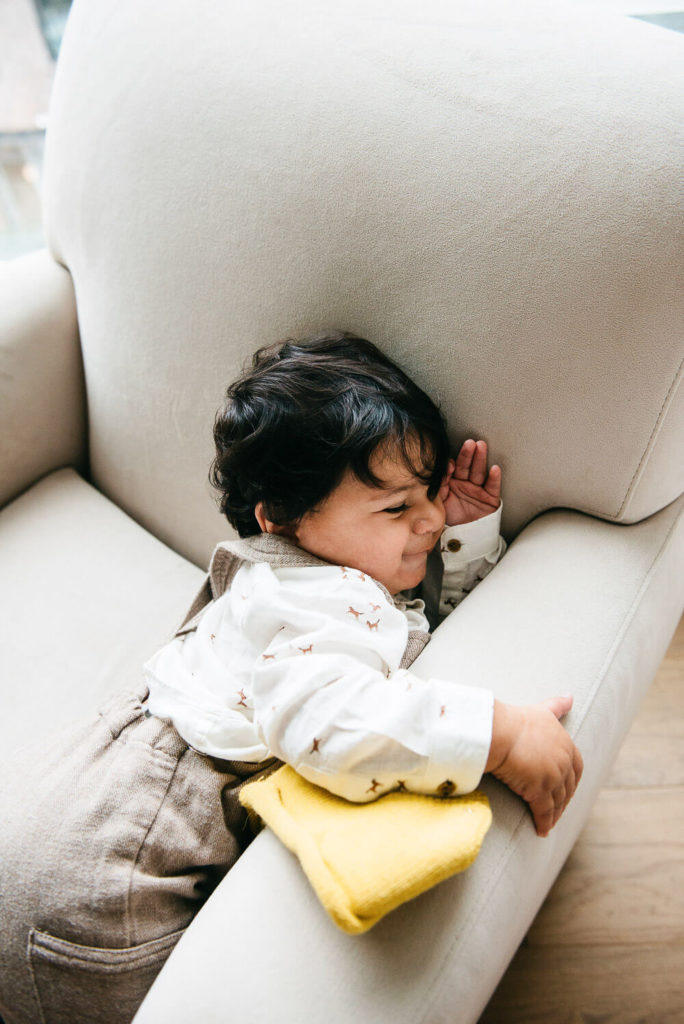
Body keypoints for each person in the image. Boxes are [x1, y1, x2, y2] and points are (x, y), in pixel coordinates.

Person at [0, 332, 582, 1024]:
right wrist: (501, 734)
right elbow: (339, 729)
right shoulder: (317, 606)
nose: (428, 518)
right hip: (100, 899)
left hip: (53, 814)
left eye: (428, 492)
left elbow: (411, 624)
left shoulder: (277, 571)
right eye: (397, 508)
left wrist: (459, 535)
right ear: (283, 518)